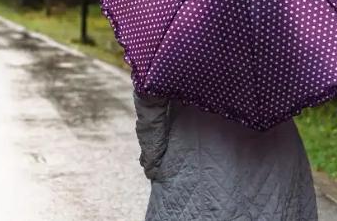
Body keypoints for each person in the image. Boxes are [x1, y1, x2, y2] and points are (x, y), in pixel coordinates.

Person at [134, 91, 318, 220]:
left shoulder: (178, 41)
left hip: (196, 151)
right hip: (277, 150)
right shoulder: (278, 38)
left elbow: (149, 100)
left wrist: (154, 161)